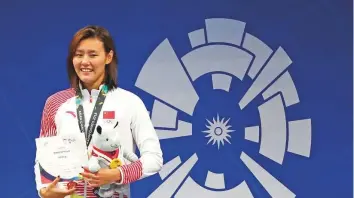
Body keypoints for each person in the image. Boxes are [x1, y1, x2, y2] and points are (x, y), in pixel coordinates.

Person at [34, 25, 163, 198]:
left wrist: (118, 174)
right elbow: (44, 156)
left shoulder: (130, 102)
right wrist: (44, 190)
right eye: (78, 55)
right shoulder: (56, 103)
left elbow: (154, 159)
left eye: (93, 55)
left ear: (108, 57)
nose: (84, 61)